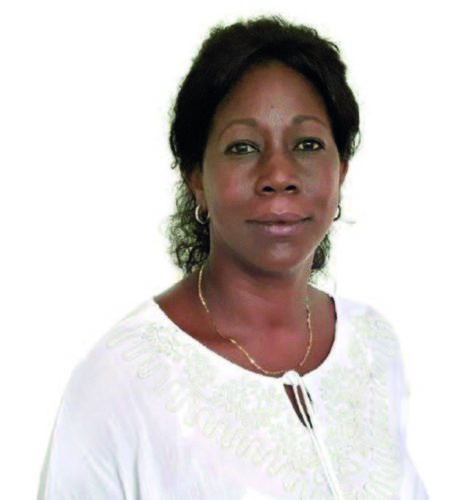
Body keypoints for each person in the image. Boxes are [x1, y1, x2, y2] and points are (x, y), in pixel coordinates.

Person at [38, 17, 428, 499]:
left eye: (307, 144)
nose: (279, 175)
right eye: (243, 147)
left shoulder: (372, 345)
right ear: (196, 179)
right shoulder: (121, 383)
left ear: (341, 171)